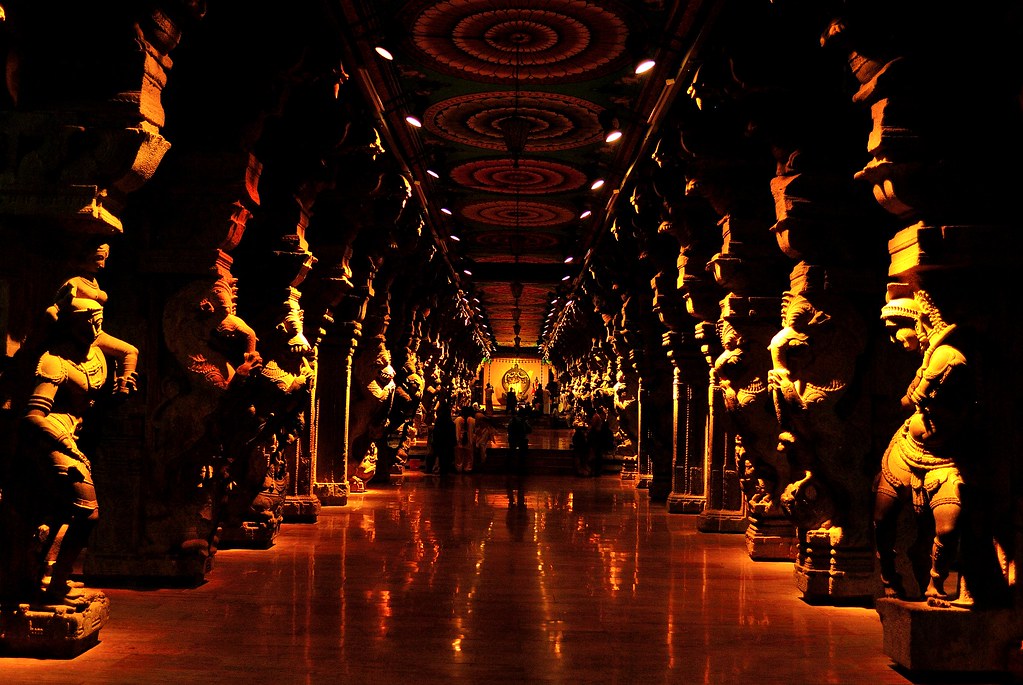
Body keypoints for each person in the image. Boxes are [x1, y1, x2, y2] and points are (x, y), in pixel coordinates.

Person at [8, 284, 113, 604]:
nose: (94, 331)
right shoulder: (55, 361)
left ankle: (46, 577)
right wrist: (66, 444)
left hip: (74, 435)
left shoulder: (95, 355)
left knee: (56, 513)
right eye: (86, 324)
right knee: (86, 512)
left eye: (98, 323)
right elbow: (33, 416)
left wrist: (125, 380)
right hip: (51, 435)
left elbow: (127, 352)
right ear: (70, 324)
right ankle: (54, 584)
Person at [874, 285, 974, 604]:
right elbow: (909, 401)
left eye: (897, 329)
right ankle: (888, 576)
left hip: (945, 460)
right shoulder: (930, 356)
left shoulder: (947, 356)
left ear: (918, 322)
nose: (894, 339)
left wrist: (925, 385)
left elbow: (924, 393)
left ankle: (935, 583)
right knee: (882, 519)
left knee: (947, 528)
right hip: (906, 449)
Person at [505, 408, 531, 507]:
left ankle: (510, 468)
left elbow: (509, 429)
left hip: (513, 439)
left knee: (512, 453)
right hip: (521, 439)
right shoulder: (523, 421)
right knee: (521, 456)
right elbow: (529, 430)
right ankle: (521, 469)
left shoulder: (512, 420)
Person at [428, 400, 456, 476]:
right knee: (446, 458)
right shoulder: (450, 423)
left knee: (441, 457)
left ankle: (441, 470)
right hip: (447, 443)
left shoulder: (439, 421)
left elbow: (436, 432)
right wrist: (453, 442)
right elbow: (452, 433)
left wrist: (434, 442)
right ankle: (444, 471)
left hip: (440, 442)